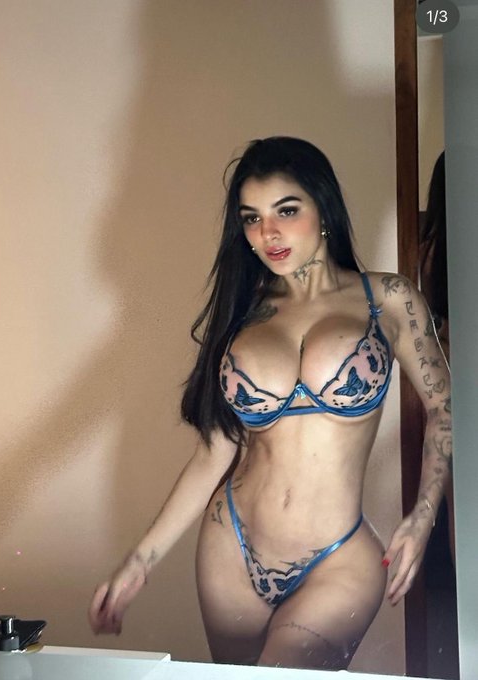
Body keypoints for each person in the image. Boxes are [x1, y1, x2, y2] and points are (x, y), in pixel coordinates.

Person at [89, 137, 452, 670]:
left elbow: (445, 409)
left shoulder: (388, 299)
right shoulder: (245, 310)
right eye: (252, 218)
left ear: (323, 208)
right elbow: (214, 452)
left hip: (338, 558)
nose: (268, 233)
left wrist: (423, 517)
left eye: (286, 210)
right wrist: (140, 561)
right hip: (231, 547)